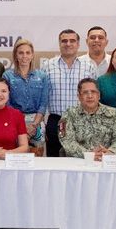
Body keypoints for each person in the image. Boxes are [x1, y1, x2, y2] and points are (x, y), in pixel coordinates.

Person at [41, 29, 96, 157]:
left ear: (78, 44)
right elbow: (43, 97)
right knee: (54, 159)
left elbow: (95, 96)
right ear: (59, 43)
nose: (68, 44)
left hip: (82, 120)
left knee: (81, 159)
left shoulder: (89, 66)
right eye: (64, 41)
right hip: (56, 120)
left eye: (72, 41)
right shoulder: (48, 66)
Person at [59, 78, 116, 159]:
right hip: (78, 161)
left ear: (99, 95)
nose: (90, 96)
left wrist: (110, 152)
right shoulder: (68, 114)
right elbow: (67, 141)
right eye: (85, 93)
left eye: (93, 92)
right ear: (79, 97)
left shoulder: (114, 113)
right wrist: (89, 155)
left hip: (106, 161)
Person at [2, 38, 48, 152]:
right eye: (21, 53)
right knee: (16, 159)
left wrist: (34, 125)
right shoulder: (7, 76)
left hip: (36, 123)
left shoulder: (42, 76)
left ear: (32, 55)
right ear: (16, 55)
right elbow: (7, 103)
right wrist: (22, 124)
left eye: (28, 53)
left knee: (37, 159)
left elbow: (43, 103)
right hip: (15, 121)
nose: (24, 56)